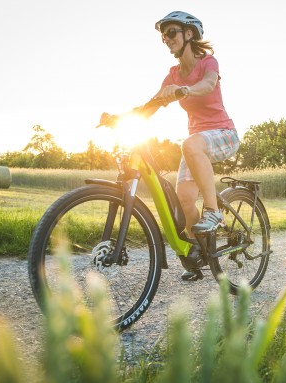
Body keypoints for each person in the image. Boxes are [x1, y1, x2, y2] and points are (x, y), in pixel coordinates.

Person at [101, 11, 240, 280]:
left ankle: (214, 213)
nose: (167, 38)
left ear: (189, 34)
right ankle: (200, 257)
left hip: (223, 134)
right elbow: (150, 106)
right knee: (185, 200)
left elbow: (208, 83)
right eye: (164, 35)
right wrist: (123, 118)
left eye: (172, 32)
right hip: (196, 145)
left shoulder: (208, 62)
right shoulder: (173, 74)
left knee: (191, 144)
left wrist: (185, 90)